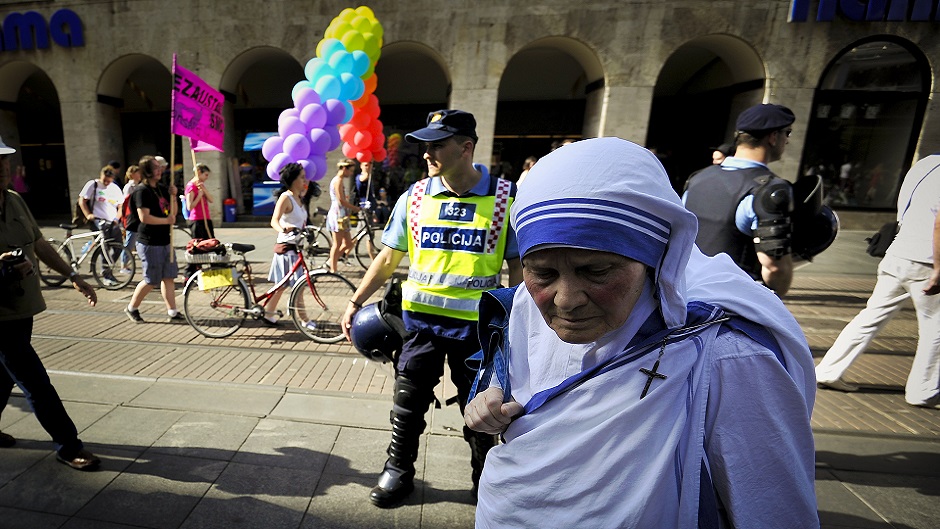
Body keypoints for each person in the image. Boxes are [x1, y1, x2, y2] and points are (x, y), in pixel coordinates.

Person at [464, 137, 817, 528]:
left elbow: (773, 507)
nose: (565, 300)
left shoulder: (726, 352)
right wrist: (491, 395)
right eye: (543, 272)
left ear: (656, 258)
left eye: (596, 271)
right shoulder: (524, 307)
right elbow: (511, 369)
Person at [341, 109, 523, 508]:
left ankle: (484, 478)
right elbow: (388, 258)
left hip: (477, 331)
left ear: (466, 147)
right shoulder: (416, 197)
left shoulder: (504, 199)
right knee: (407, 402)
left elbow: (517, 268)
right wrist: (355, 301)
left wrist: (523, 320)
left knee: (480, 411)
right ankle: (398, 470)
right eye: (424, 146)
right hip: (420, 327)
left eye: (436, 144)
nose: (427, 154)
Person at [0, 134, 101, 471]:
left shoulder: (13, 199)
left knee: (2, 376)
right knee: (34, 380)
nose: (3, 166)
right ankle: (68, 445)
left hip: (22, 307)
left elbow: (39, 243)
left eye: (5, 159)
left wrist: (73, 276)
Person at [816, 154, 940, 408]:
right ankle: (923, 390)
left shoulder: (926, 164)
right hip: (926, 258)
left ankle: (828, 370)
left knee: (870, 317)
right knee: (935, 328)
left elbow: (905, 204)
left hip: (899, 250)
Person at [683, 103, 797, 295]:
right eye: (787, 133)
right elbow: (774, 267)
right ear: (773, 137)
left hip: (683, 290)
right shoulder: (769, 190)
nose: (787, 140)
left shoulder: (698, 178)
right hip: (731, 301)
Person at [124, 155, 182, 323]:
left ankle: (172, 311)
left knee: (169, 276)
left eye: (159, 167)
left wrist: (174, 196)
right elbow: (144, 217)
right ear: (147, 171)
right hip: (150, 241)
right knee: (152, 279)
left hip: (165, 240)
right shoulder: (142, 191)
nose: (160, 170)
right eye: (156, 167)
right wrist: (166, 221)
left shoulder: (162, 188)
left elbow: (173, 212)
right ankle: (132, 307)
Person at [265, 162, 310, 326]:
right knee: (298, 287)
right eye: (302, 177)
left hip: (296, 248)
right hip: (286, 250)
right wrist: (283, 229)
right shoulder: (286, 197)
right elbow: (274, 221)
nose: (305, 180)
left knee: (282, 285)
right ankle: (305, 320)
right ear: (293, 180)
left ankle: (268, 312)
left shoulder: (300, 198)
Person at [78, 165, 124, 286]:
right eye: (105, 180)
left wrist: (116, 219)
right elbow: (82, 200)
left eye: (109, 180)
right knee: (105, 246)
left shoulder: (115, 188)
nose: (106, 182)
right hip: (98, 220)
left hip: (112, 221)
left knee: (119, 247)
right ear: (101, 175)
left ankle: (108, 268)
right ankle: (106, 274)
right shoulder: (92, 185)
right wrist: (88, 215)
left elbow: (120, 206)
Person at [326, 159, 361, 273]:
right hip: (338, 214)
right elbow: (340, 200)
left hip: (342, 213)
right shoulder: (338, 181)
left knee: (349, 243)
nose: (351, 174)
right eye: (350, 171)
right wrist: (354, 208)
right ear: (344, 169)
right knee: (337, 243)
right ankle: (333, 268)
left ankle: (331, 261)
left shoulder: (339, 180)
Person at [183, 163, 215, 280]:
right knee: (197, 247)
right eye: (205, 174)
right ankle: (189, 273)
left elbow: (211, 200)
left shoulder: (201, 186)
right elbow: (190, 206)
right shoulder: (191, 186)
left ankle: (213, 268)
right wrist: (198, 196)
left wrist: (204, 191)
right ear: (199, 172)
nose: (207, 177)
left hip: (206, 218)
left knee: (211, 245)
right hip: (196, 220)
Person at [119, 164, 141, 275]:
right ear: (132, 174)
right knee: (129, 242)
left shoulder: (138, 185)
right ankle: (124, 265)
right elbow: (126, 203)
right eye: (138, 172)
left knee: (137, 241)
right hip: (131, 217)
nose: (140, 174)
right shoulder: (129, 187)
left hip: (137, 217)